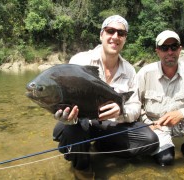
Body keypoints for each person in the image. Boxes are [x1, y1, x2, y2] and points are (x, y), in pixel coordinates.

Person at [53, 15, 159, 179]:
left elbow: (135, 106)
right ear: (101, 34)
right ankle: (81, 167)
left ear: (125, 39)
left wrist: (121, 111)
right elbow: (64, 96)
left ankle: (101, 146)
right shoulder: (80, 60)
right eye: (110, 31)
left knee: (151, 140)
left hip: (110, 125)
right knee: (73, 128)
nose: (115, 36)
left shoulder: (130, 70)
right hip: (81, 122)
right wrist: (65, 113)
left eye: (121, 33)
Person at [137, 30, 184, 166]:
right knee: (166, 161)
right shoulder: (145, 73)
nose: (170, 52)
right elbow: (134, 103)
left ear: (180, 49)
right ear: (157, 51)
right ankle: (153, 147)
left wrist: (181, 113)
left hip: (179, 123)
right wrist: (147, 123)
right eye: (164, 48)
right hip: (155, 125)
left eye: (174, 47)